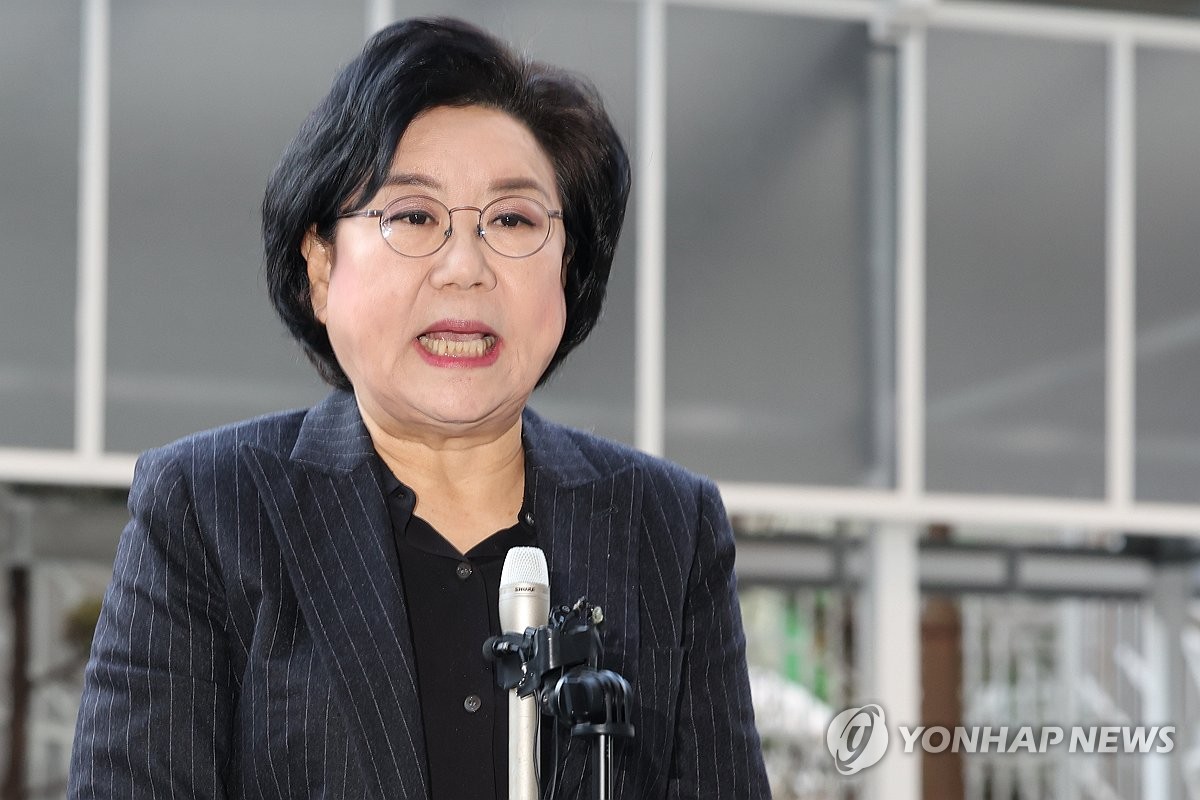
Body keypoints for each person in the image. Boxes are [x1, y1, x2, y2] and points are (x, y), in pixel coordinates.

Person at [69, 17, 769, 800]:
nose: (465, 267)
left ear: (567, 269)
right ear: (322, 266)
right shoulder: (209, 507)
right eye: (414, 217)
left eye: (512, 220)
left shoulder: (666, 525)